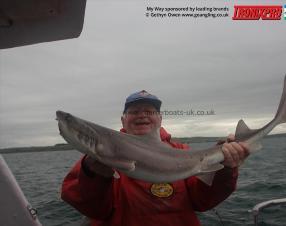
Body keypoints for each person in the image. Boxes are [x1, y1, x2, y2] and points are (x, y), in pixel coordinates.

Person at [61, 90, 249, 226]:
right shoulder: (97, 159)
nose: (142, 115)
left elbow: (203, 200)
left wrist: (225, 169)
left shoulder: (182, 151)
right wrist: (94, 176)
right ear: (123, 120)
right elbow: (92, 209)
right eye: (134, 111)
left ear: (160, 119)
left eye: (149, 111)